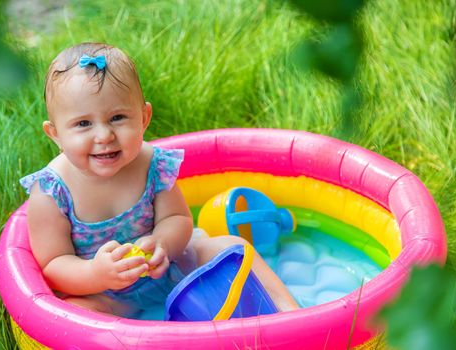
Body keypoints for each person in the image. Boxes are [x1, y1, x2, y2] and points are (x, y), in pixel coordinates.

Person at [21, 42, 298, 318]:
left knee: (233, 248)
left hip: (172, 266)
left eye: (117, 117)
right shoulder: (51, 191)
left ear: (143, 118)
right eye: (83, 124)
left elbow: (178, 218)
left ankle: (291, 314)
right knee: (76, 314)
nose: (104, 135)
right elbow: (53, 264)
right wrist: (96, 274)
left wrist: (163, 244)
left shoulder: (151, 164)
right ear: (55, 134)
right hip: (105, 294)